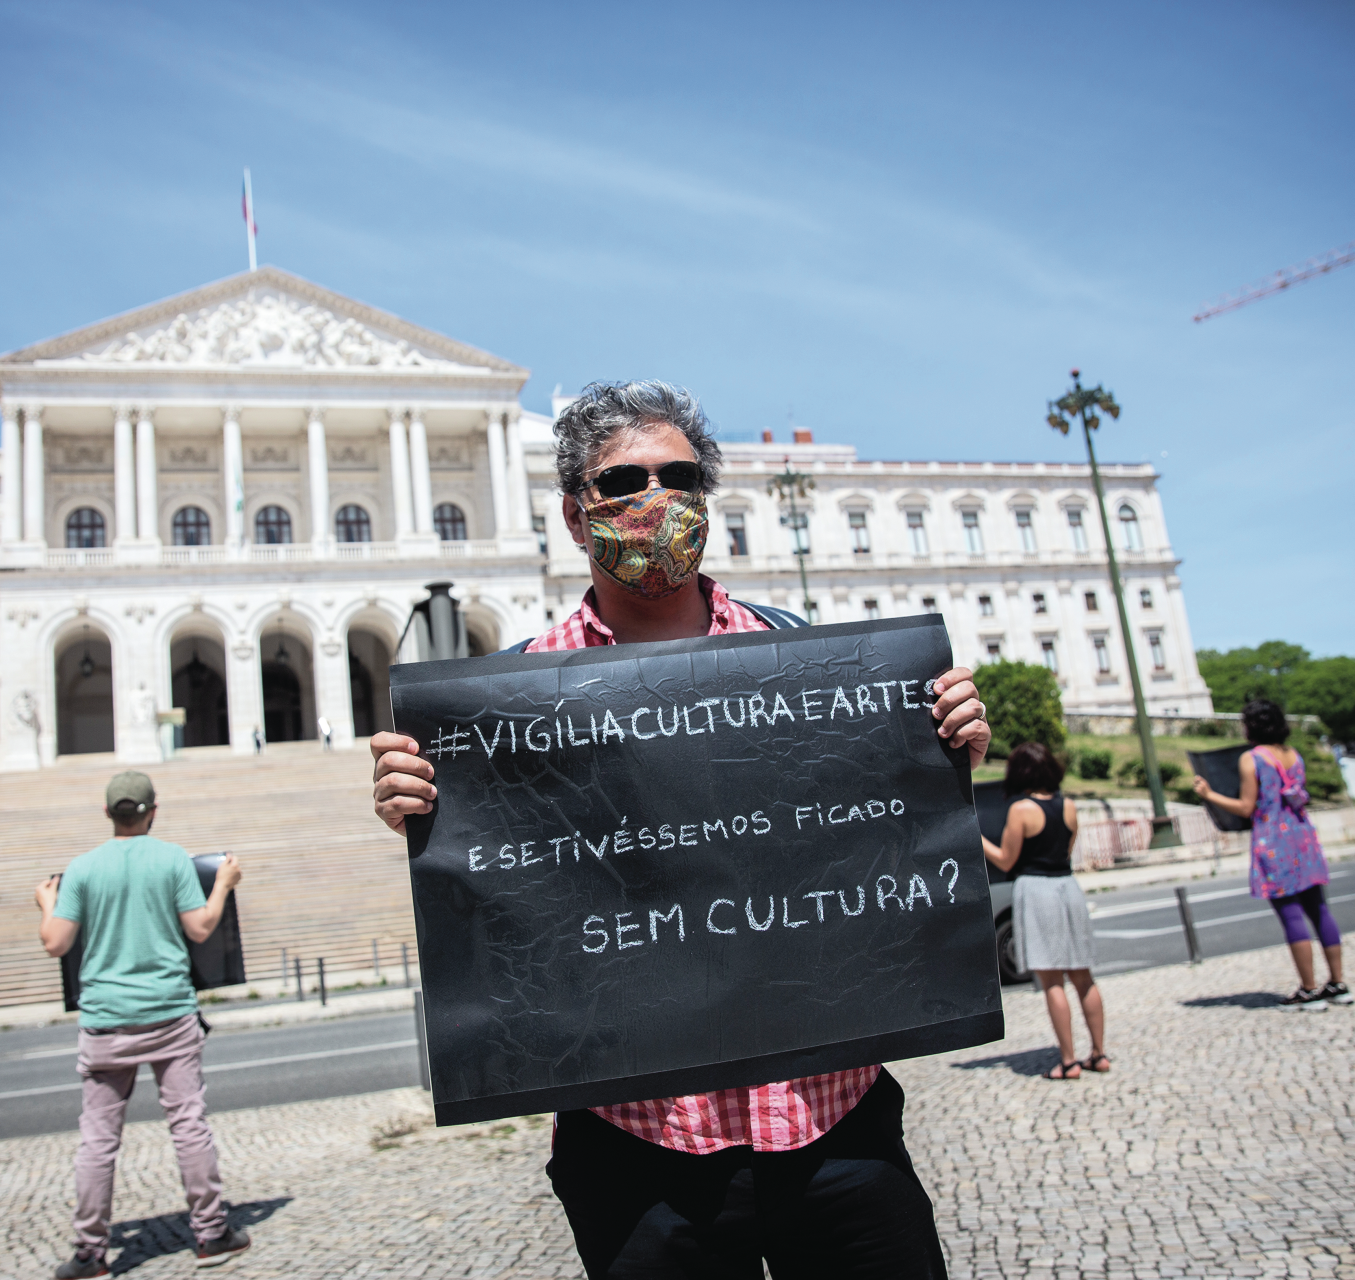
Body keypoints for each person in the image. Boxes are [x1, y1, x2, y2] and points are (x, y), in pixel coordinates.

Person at [370, 381, 992, 1279]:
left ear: (706, 495)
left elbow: (874, 836)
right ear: (577, 519)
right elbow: (503, 890)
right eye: (621, 481)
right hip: (641, 1151)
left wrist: (941, 747)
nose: (652, 496)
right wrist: (419, 804)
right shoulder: (503, 706)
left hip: (835, 1124)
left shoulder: (816, 662)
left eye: (678, 474)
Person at [33, 771, 250, 1278]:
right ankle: (212, 1232)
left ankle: (90, 1253)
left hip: (106, 1020)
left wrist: (48, 905)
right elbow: (199, 928)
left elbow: (55, 943)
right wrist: (222, 883)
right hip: (170, 1014)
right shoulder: (171, 858)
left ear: (108, 814)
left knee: (98, 1140)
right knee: (188, 1124)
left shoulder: (82, 869)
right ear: (154, 811)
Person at [1192, 698, 1352, 1011]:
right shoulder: (1294, 755)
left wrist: (1209, 795)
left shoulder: (1252, 759)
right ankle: (1337, 983)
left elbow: (1247, 807)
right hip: (1303, 835)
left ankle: (1308, 989)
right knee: (1319, 910)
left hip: (1273, 840)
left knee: (1291, 915)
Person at [980, 742, 1108, 1080]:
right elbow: (1066, 851)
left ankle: (1068, 1061)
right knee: (1083, 976)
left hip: (1036, 889)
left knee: (1052, 980)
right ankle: (1099, 1053)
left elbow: (1006, 859)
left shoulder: (1021, 809)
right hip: (1068, 887)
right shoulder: (1069, 806)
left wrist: (978, 840)